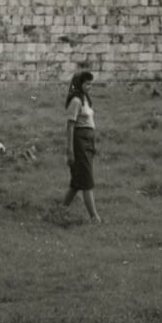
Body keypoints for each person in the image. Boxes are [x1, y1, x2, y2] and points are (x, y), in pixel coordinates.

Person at [61, 69, 101, 222]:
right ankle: (94, 217)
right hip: (79, 141)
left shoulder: (86, 100)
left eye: (91, 84)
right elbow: (70, 126)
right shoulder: (76, 101)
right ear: (79, 84)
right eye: (86, 84)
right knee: (86, 180)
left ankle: (61, 210)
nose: (89, 86)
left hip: (88, 141)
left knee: (77, 182)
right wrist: (70, 150)